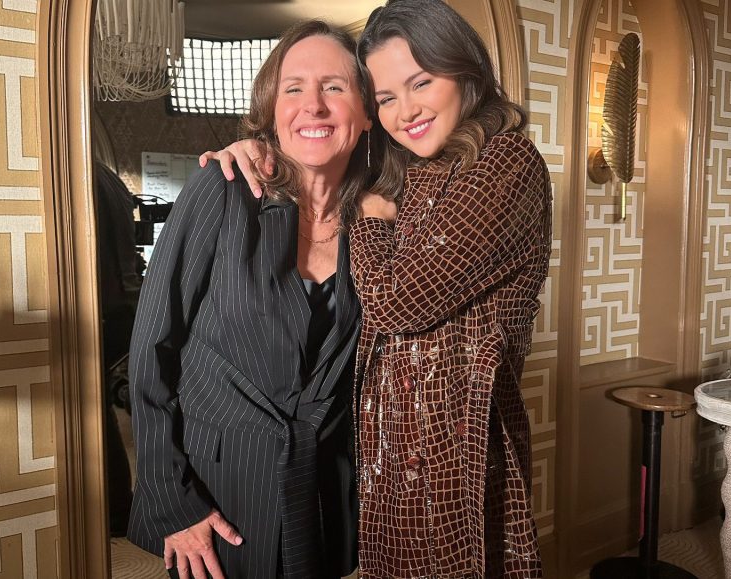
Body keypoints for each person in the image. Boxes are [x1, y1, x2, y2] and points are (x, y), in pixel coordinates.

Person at [201, 1, 552, 577]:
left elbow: (393, 303)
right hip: (390, 446)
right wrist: (258, 149)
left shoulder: (505, 160)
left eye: (421, 82)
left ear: (465, 71)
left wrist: (368, 219)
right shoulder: (418, 169)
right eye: (386, 98)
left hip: (455, 442)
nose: (405, 111)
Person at [127, 20, 375, 579]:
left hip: (320, 496)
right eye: (294, 88)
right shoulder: (223, 189)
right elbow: (151, 350)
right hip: (217, 493)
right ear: (272, 110)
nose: (313, 105)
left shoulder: (379, 220)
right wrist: (172, 499)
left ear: (365, 111)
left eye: (334, 87)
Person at [94, 161, 142, 537]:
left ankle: (118, 511)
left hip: (105, 308)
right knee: (122, 404)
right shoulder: (110, 179)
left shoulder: (80, 173)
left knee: (99, 411)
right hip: (126, 303)